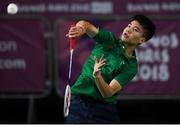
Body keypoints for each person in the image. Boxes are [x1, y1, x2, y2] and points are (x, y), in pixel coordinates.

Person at [65, 15, 155, 123]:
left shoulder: (130, 66)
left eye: (135, 30)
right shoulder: (108, 39)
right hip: (78, 103)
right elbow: (86, 25)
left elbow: (108, 93)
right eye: (129, 25)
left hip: (103, 110)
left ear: (142, 40)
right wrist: (80, 28)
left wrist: (97, 76)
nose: (128, 30)